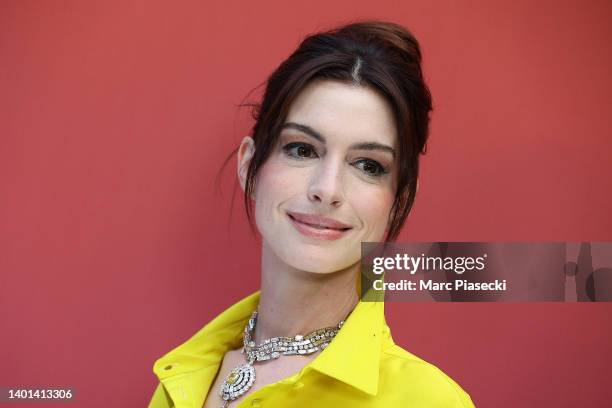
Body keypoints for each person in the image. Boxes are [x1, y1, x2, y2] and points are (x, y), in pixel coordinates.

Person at [148, 20, 474, 408]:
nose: (328, 189)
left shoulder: (428, 401)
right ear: (249, 166)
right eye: (302, 150)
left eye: (368, 165)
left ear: (400, 200)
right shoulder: (184, 375)